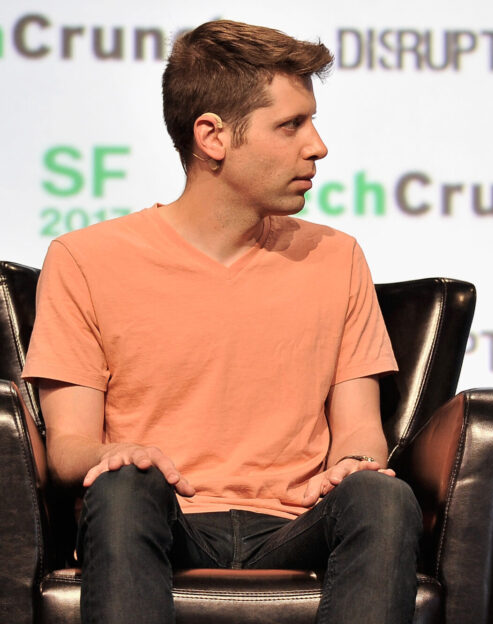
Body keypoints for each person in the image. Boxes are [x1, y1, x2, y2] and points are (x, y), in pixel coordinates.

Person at [21, 20, 420, 624]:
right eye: (290, 125)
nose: (317, 146)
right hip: (166, 518)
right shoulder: (86, 259)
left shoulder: (336, 256)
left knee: (381, 496)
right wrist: (121, 452)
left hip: (297, 524)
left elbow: (360, 430)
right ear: (212, 136)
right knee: (124, 485)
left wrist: (352, 465)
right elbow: (70, 448)